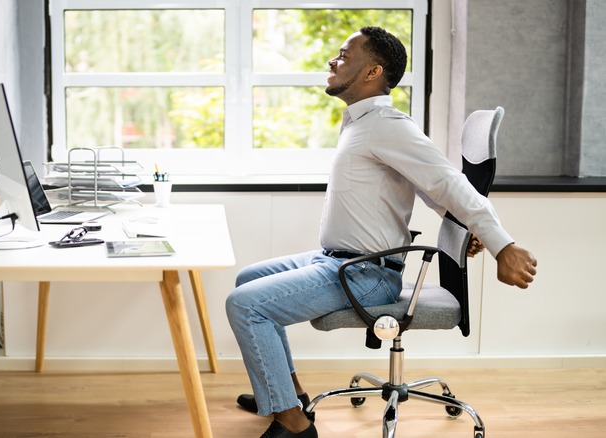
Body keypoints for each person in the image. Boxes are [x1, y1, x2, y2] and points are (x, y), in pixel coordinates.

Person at [225, 26, 538, 438]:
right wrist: (458, 227)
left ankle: (294, 424)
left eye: (343, 55)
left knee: (246, 304)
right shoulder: (361, 121)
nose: (332, 62)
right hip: (337, 260)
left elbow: (450, 184)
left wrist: (504, 246)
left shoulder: (387, 125)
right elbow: (430, 190)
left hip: (366, 275)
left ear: (372, 71)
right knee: (249, 279)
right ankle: (290, 394)